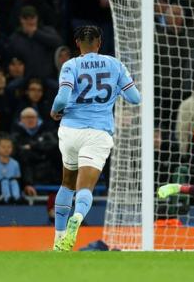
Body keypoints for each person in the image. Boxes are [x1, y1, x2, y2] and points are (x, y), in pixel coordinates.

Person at [50, 26, 141, 251]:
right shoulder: (114, 64)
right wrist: (116, 90)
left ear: (77, 42)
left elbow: (62, 98)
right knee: (85, 188)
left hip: (70, 130)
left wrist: (54, 110)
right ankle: (78, 217)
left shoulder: (70, 65)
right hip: (98, 133)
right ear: (99, 42)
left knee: (67, 183)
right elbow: (135, 98)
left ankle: (58, 240)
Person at [0, 137, 23, 203]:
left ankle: (16, 197)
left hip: (10, 185)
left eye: (9, 147)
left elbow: (18, 181)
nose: (6, 149)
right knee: (4, 182)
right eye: (3, 147)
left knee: (14, 182)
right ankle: (5, 198)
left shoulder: (15, 164)